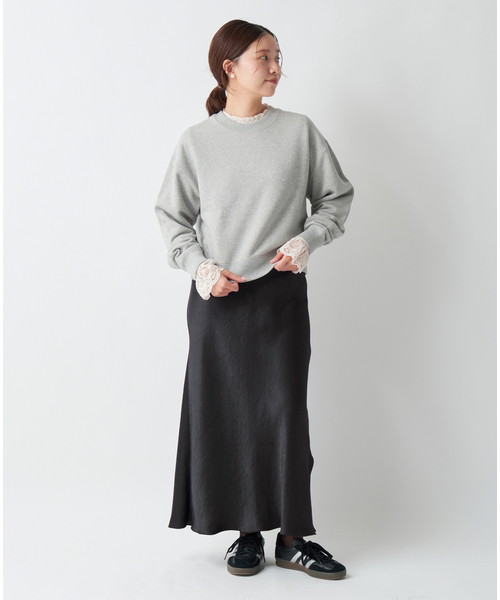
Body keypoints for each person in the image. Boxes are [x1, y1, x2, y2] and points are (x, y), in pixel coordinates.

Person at [154, 19, 354, 580]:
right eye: (264, 57)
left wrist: (308, 240)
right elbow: (171, 216)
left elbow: (336, 198)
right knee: (228, 415)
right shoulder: (198, 141)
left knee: (284, 415)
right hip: (217, 301)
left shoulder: (299, 132)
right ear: (230, 67)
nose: (275, 68)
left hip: (280, 298)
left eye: (278, 57)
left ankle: (291, 538)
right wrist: (200, 267)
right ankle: (246, 533)